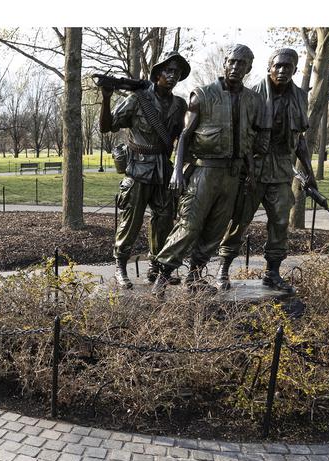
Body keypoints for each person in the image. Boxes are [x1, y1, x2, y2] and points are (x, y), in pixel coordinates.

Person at [150, 44, 269, 297]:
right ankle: (162, 275)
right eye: (232, 62)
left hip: (232, 175)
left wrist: (250, 174)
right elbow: (184, 135)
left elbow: (248, 140)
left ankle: (194, 276)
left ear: (249, 68)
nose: (236, 67)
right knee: (189, 225)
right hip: (204, 171)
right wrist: (177, 172)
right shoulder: (202, 94)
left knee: (216, 229)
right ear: (225, 63)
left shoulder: (253, 99)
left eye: (242, 63)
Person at [215, 48, 315, 293]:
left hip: (281, 168)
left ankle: (272, 273)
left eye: (288, 67)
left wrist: (309, 171)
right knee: (240, 219)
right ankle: (223, 268)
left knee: (280, 221)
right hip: (254, 166)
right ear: (269, 67)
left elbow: (299, 138)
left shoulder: (300, 97)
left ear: (294, 69)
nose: (282, 71)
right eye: (278, 66)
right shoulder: (254, 95)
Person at [99, 51, 191, 289]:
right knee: (132, 221)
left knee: (164, 221)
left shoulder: (180, 105)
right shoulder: (137, 99)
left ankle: (157, 268)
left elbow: (180, 137)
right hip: (138, 169)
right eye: (168, 71)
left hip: (163, 170)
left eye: (177, 73)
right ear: (157, 74)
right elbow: (107, 126)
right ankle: (120, 266)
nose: (172, 76)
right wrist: (106, 97)